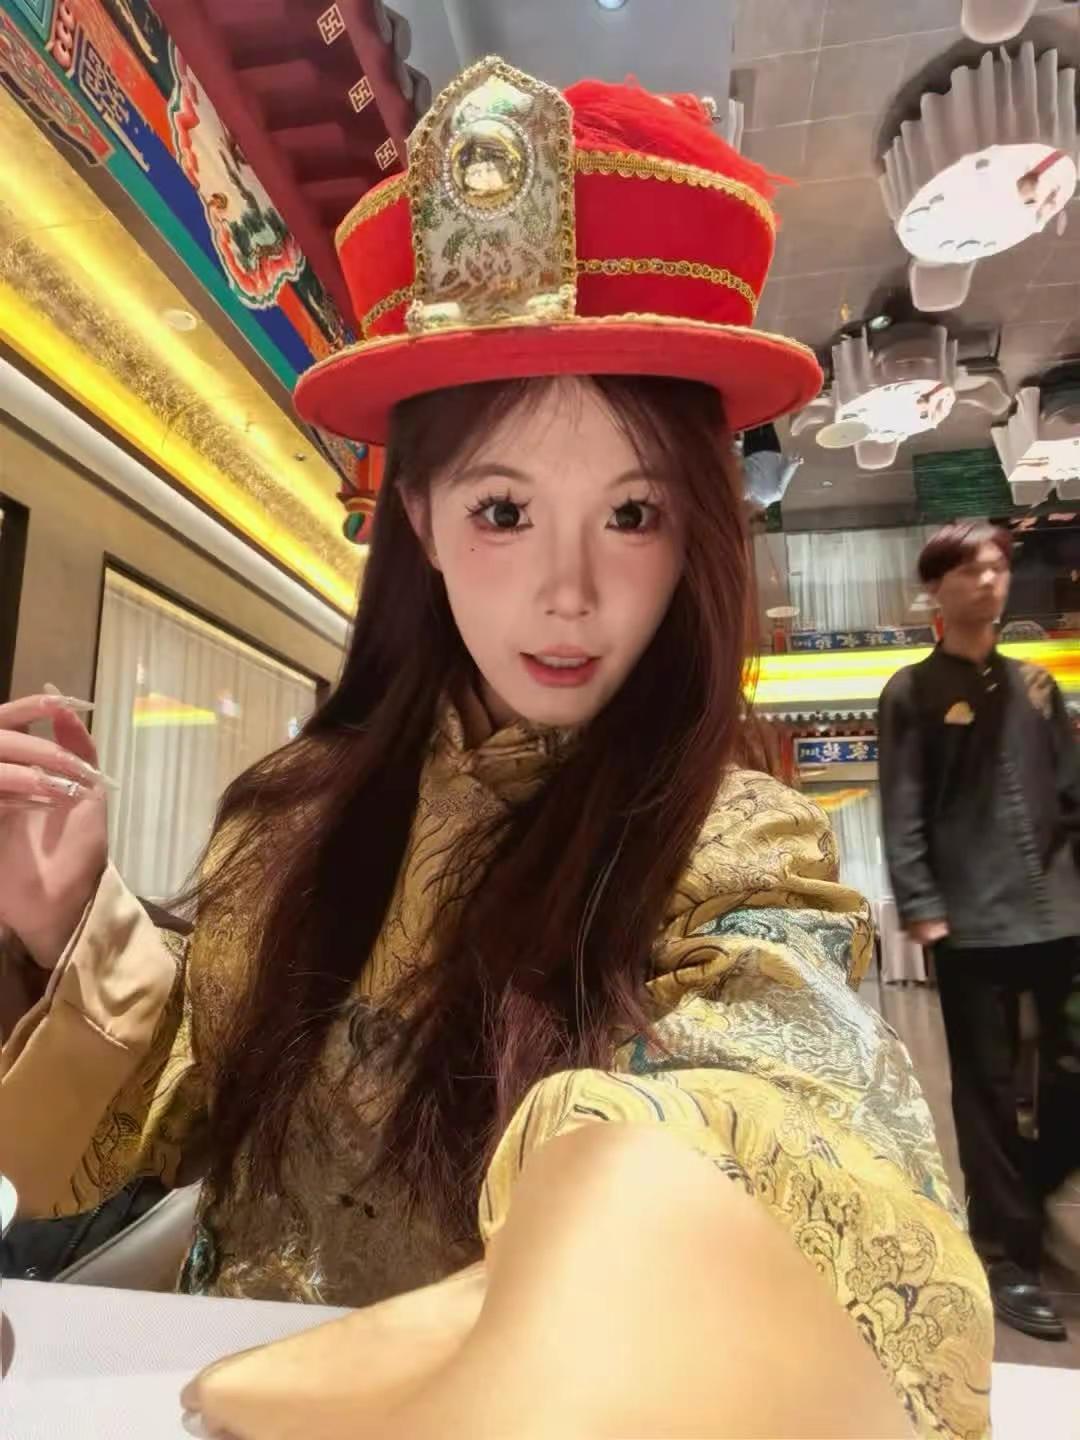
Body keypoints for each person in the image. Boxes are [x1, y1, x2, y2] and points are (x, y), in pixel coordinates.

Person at [0, 61, 990, 1440]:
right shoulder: (290, 810)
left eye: (633, 514)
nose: (568, 594)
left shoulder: (737, 845)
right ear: (418, 515)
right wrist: (67, 924)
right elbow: (191, 1111)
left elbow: (802, 1111)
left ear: (697, 532)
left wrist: (638, 1186)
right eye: (505, 510)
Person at [879, 520, 1080, 1342]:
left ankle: (1021, 1196)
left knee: (1069, 1071)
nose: (989, 579)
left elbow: (1071, 793)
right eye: (969, 569)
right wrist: (921, 903)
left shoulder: (1037, 687)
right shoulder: (911, 692)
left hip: (1061, 913)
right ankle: (1005, 1252)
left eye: (998, 565)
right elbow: (902, 808)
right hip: (969, 924)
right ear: (936, 587)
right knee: (988, 1091)